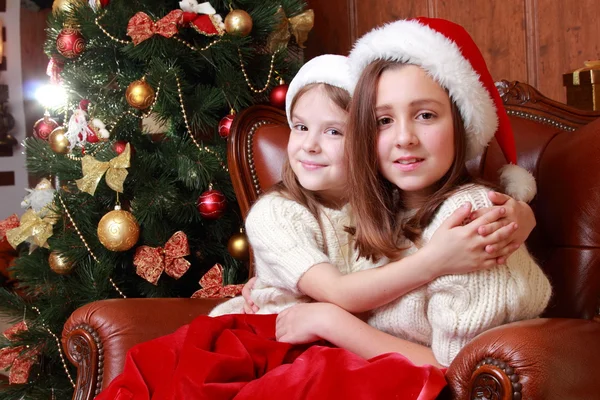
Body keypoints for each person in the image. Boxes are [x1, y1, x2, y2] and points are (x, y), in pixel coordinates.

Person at [274, 17, 552, 369]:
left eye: (424, 115)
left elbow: (462, 373)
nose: (404, 137)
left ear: (460, 125)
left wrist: (332, 322)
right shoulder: (378, 211)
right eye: (383, 121)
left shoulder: (471, 220)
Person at [211, 53, 535, 319]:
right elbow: (339, 292)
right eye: (300, 127)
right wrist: (435, 260)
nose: (310, 144)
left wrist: (521, 215)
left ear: (366, 141)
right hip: (278, 337)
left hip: (334, 345)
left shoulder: (387, 201)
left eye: (334, 132)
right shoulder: (276, 214)